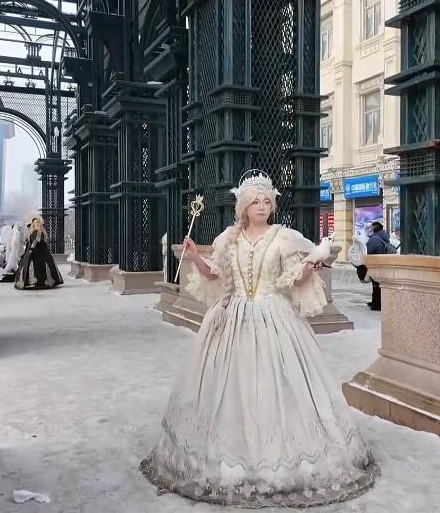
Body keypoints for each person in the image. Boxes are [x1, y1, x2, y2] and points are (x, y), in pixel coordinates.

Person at [139, 171, 379, 508]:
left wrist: (312, 265)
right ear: (243, 207)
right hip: (232, 320)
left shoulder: (283, 238)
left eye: (266, 201)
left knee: (278, 384)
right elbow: (215, 275)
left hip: (275, 318)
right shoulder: (229, 239)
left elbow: (293, 281)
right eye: (255, 202)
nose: (262, 207)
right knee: (229, 386)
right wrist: (193, 257)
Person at [13, 217, 64, 290]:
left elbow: (35, 242)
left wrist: (31, 249)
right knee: (32, 267)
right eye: (36, 223)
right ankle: (34, 281)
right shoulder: (34, 232)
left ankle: (39, 282)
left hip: (39, 253)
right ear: (33, 225)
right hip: (36, 253)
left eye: (38, 223)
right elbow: (31, 242)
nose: (37, 224)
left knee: (39, 267)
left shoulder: (39, 232)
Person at [365, 221, 394, 311]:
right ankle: (375, 302)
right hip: (384, 263)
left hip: (376, 264)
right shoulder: (384, 236)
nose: (370, 229)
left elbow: (369, 250)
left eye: (371, 228)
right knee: (379, 284)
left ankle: (377, 304)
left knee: (376, 284)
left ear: (374, 228)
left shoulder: (375, 238)